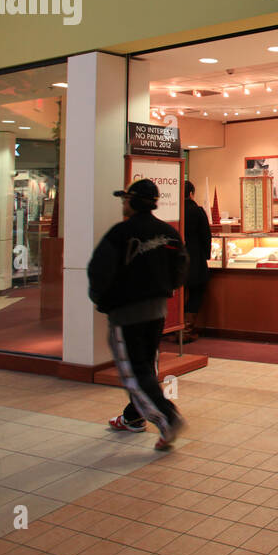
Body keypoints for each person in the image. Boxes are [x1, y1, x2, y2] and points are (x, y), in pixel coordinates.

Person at [88, 179, 189, 450]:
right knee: (146, 366)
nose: (123, 203)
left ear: (132, 201)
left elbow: (99, 272)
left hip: (126, 313)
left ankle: (166, 417)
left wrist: (104, 302)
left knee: (134, 371)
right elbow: (181, 268)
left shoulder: (121, 233)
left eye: (125, 199)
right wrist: (164, 289)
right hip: (157, 312)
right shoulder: (168, 233)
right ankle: (134, 417)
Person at [181, 180, 211, 343]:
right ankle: (187, 329)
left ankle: (175, 328)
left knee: (178, 295)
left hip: (177, 260)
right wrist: (207, 256)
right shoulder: (197, 211)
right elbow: (206, 236)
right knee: (196, 293)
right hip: (195, 259)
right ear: (191, 194)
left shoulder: (175, 211)